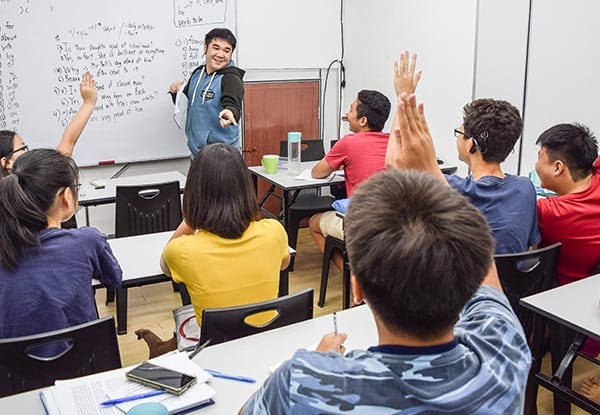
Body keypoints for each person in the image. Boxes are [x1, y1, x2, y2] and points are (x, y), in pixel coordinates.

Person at [239, 169, 531, 413]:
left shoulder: (302, 382)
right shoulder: (505, 354)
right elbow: (489, 285)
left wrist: (319, 360)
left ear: (357, 288)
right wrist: (429, 168)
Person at [136, 143, 289, 357]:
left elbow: (165, 267)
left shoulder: (183, 250)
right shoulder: (274, 232)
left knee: (187, 316)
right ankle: (163, 347)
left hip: (215, 351)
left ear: (194, 193)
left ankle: (163, 349)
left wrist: (192, 217)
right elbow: (284, 264)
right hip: (265, 344)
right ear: (246, 189)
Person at [386, 54, 539, 255]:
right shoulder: (525, 188)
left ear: (471, 145)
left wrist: (403, 97)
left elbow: (392, 164)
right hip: (511, 286)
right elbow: (531, 246)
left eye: (460, 132)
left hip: (460, 284)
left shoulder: (453, 189)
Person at [0, 149, 122, 339]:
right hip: (87, 363)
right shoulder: (87, 242)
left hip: (14, 367)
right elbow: (114, 279)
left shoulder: (5, 249)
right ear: (66, 196)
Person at [308, 89, 391, 271]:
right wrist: (355, 121)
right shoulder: (393, 142)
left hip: (361, 224)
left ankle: (352, 279)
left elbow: (317, 173)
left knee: (314, 223)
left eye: (351, 110)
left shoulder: (349, 142)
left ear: (363, 120)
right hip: (391, 224)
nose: (347, 113)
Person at [0, 71, 97, 177]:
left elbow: (67, 144)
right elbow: (67, 144)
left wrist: (88, 103)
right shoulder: (34, 183)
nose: (27, 152)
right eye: (22, 148)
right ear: (6, 162)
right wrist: (88, 103)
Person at [169, 28, 245, 157]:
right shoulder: (197, 74)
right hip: (197, 153)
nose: (220, 54)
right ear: (205, 48)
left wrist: (230, 112)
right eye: (216, 48)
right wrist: (176, 92)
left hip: (222, 157)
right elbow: (186, 103)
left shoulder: (231, 78)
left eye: (227, 50)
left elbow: (233, 104)